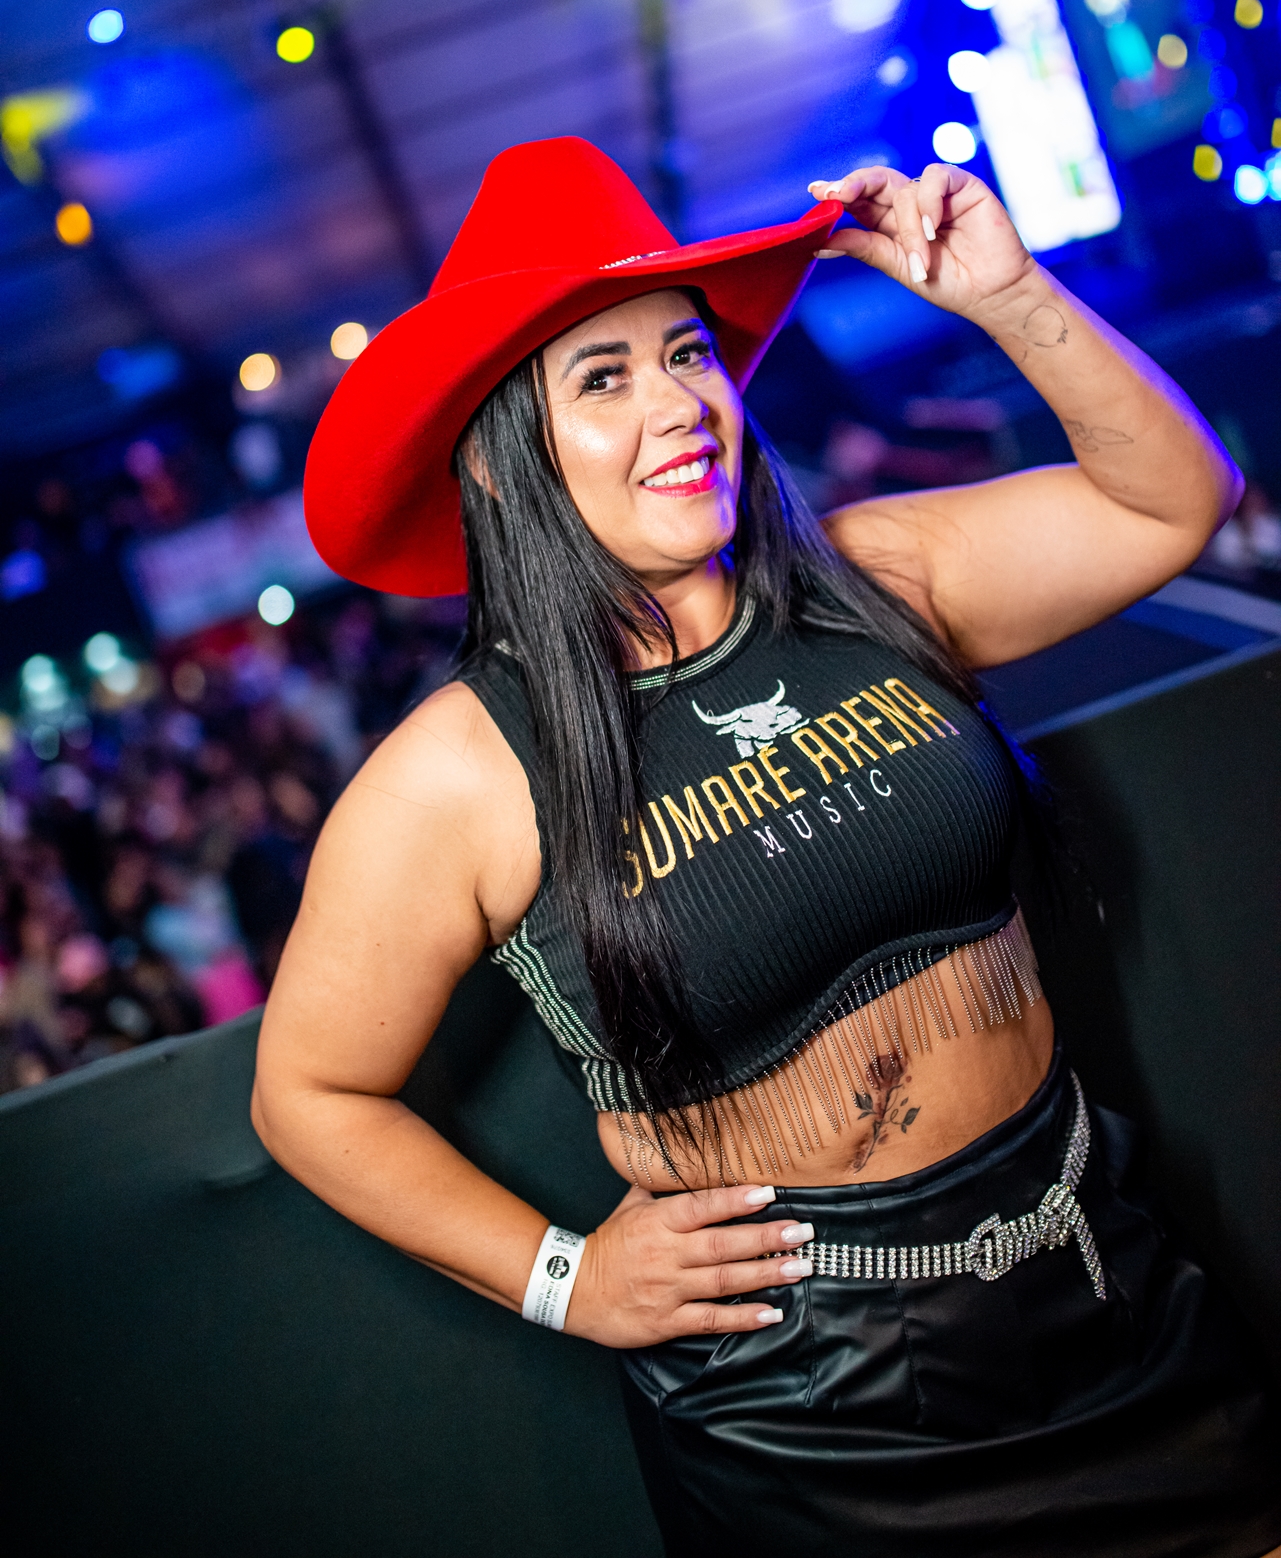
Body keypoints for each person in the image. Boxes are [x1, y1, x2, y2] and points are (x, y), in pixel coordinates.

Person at [253, 138, 1280, 1557]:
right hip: (814, 1406)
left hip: (1099, 1272)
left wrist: (1005, 294)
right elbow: (309, 1093)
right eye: (601, 380)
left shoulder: (875, 580)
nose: (678, 404)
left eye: (687, 354)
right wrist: (566, 1280)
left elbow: (1172, 501)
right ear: (498, 461)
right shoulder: (459, 774)